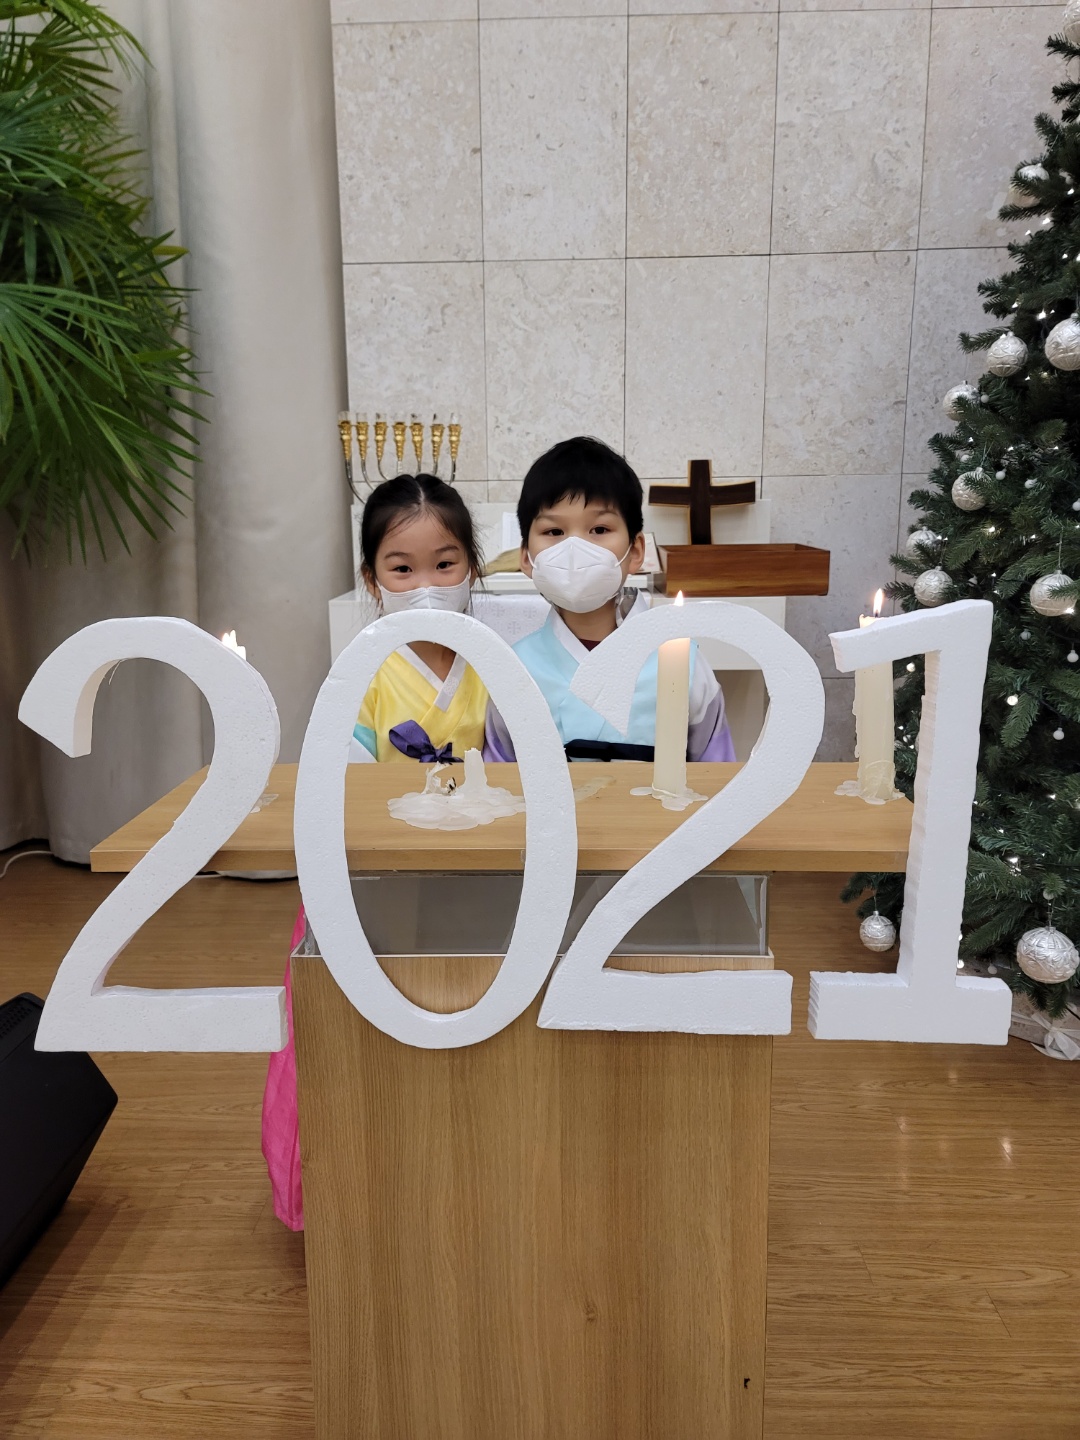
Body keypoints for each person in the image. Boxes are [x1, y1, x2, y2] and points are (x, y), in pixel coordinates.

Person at [262, 474, 486, 1231]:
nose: (426, 585)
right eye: (402, 568)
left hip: (473, 886)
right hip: (376, 883)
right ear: (372, 579)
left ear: (473, 567)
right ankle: (352, 1195)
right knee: (358, 1032)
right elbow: (344, 790)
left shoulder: (496, 665)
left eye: (445, 564)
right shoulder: (361, 675)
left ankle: (451, 1186)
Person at [484, 436, 735, 763]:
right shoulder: (515, 669)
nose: (574, 549)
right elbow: (498, 779)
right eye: (554, 532)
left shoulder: (685, 665)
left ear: (636, 551)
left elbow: (716, 774)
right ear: (526, 558)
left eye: (599, 530)